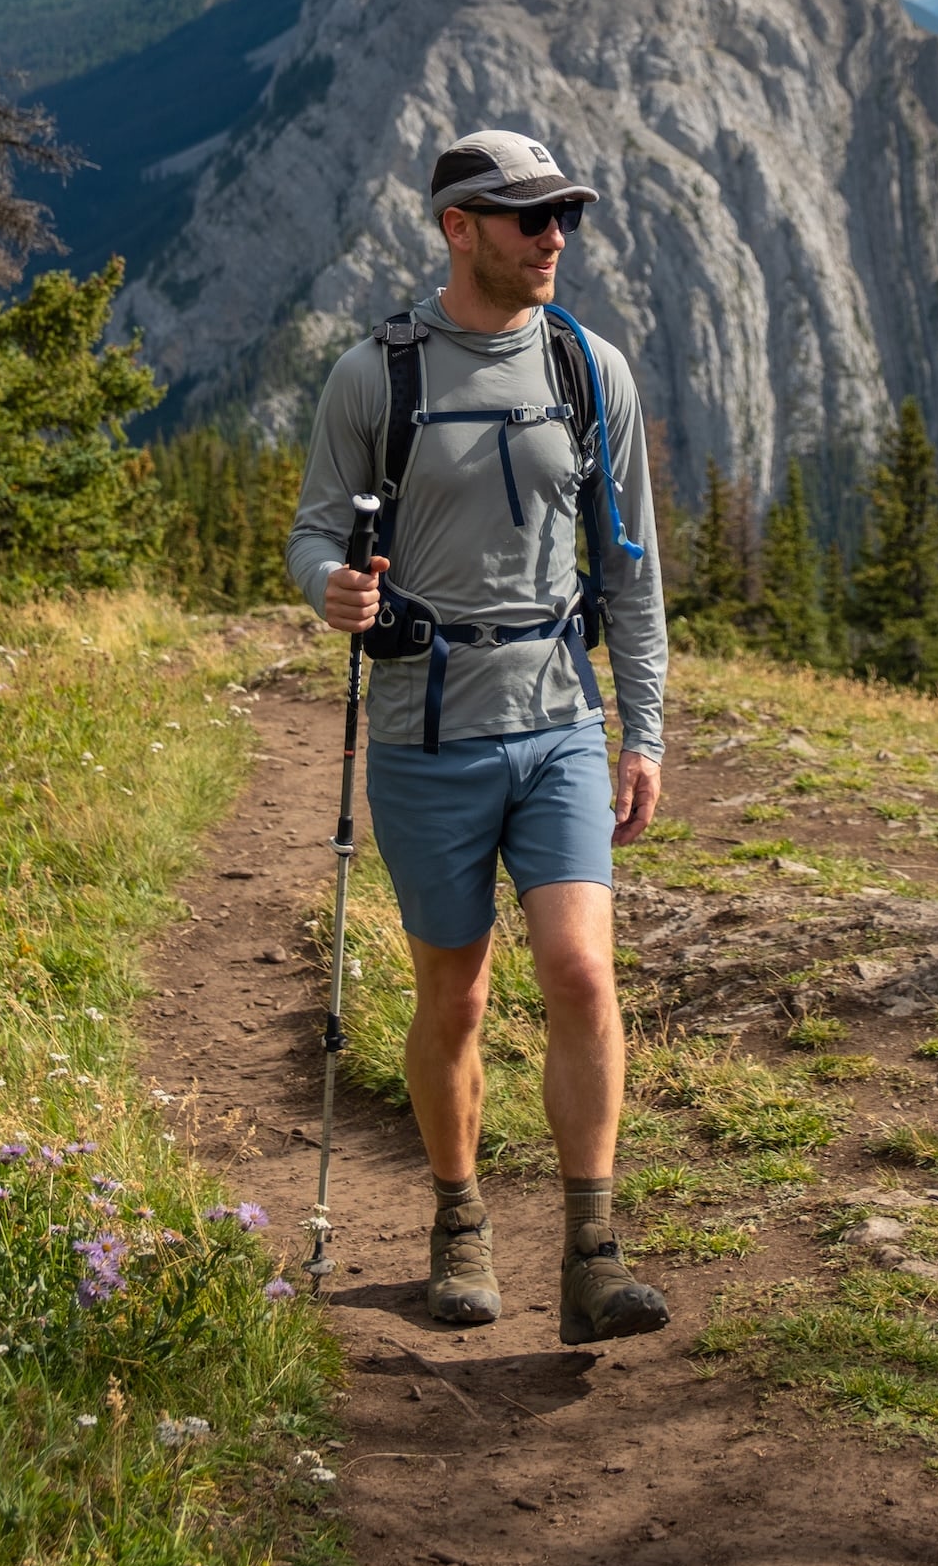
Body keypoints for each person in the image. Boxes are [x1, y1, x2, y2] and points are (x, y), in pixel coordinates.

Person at [288, 129, 671, 1344]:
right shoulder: (374, 376)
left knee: (580, 971)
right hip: (425, 728)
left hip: (557, 717)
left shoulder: (588, 368)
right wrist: (330, 589)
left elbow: (631, 567)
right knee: (452, 998)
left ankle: (592, 1252)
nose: (554, 236)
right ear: (458, 229)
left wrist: (644, 731)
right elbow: (312, 531)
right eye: (528, 217)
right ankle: (458, 1222)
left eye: (564, 215)